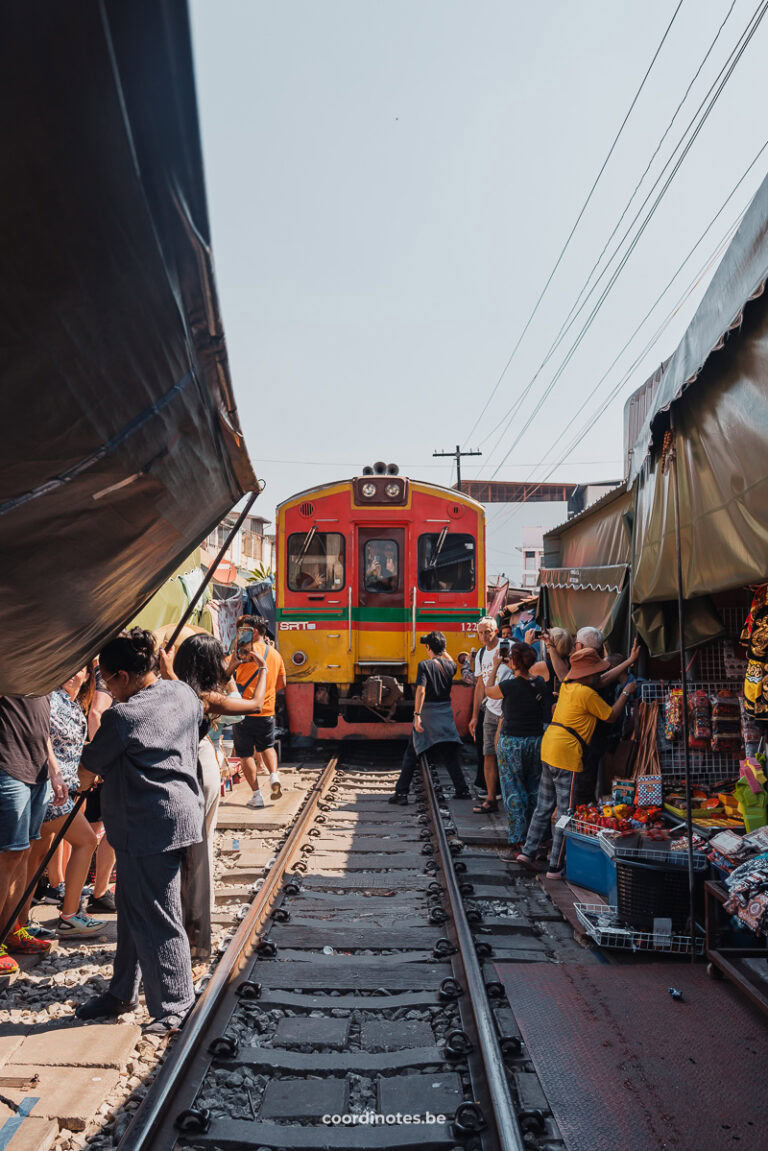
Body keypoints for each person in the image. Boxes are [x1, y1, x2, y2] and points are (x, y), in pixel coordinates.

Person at [75, 629, 203, 1030]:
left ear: (123, 677)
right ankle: (121, 992)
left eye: (106, 680)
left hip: (146, 825)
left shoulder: (122, 716)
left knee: (158, 913)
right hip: (179, 815)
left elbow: (84, 773)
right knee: (134, 907)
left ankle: (176, 1005)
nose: (105, 688)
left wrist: (91, 776)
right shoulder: (183, 694)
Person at [159, 633, 267, 958]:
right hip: (200, 768)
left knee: (176, 849)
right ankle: (197, 928)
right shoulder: (205, 697)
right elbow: (256, 705)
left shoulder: (170, 691)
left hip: (171, 770)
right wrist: (262, 670)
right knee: (201, 845)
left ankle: (178, 920)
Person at [517, 646, 638, 879]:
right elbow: (611, 715)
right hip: (567, 754)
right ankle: (555, 866)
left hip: (550, 746)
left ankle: (527, 852)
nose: (598, 676)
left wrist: (629, 660)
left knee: (543, 807)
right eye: (595, 672)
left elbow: (602, 679)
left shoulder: (568, 686)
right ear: (588, 675)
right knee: (565, 812)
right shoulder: (588, 694)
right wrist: (626, 692)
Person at [20, 667, 106, 938]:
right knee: (87, 841)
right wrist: (56, 772)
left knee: (34, 860)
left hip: (59, 790)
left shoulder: (73, 705)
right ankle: (70, 915)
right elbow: (42, 736)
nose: (73, 675)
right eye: (68, 670)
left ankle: (20, 923)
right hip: (48, 790)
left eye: (80, 671)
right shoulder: (51, 699)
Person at [0, 695, 67, 976]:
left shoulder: (41, 672)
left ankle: (11, 929)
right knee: (9, 855)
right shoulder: (12, 663)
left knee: (24, 852)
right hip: (7, 766)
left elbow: (43, 729)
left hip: (37, 770)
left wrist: (54, 768)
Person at [485, 643, 553, 861]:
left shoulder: (509, 685)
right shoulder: (540, 683)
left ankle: (519, 842)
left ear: (513, 662)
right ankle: (538, 840)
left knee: (514, 791)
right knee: (535, 790)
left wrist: (495, 666)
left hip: (512, 742)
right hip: (536, 742)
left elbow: (488, 692)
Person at [389, 632, 471, 803]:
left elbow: (421, 690)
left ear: (427, 647)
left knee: (412, 753)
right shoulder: (450, 666)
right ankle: (462, 790)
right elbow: (448, 658)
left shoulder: (424, 665)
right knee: (449, 754)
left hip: (427, 713)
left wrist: (417, 715)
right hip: (445, 713)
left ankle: (401, 794)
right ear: (442, 648)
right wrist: (441, 646)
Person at [232, 616, 286, 809]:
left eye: (245, 629)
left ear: (254, 631)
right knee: (267, 746)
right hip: (267, 711)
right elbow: (282, 683)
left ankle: (257, 795)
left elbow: (229, 673)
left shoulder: (244, 652)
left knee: (246, 754)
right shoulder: (275, 654)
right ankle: (274, 776)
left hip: (244, 711)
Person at [468, 617, 512, 813]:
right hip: (490, 710)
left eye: (488, 632)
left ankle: (511, 798)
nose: (484, 636)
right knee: (488, 754)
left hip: (509, 710)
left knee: (506, 755)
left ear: (496, 631)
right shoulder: (481, 654)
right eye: (480, 632)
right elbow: (480, 685)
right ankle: (491, 798)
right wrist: (474, 715)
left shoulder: (509, 646)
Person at [85, 667, 118, 914]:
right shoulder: (106, 674)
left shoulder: (101, 672)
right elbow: (96, 712)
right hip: (101, 764)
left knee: (92, 831)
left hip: (97, 762)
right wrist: (102, 760)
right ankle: (98, 892)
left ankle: (91, 890)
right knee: (107, 830)